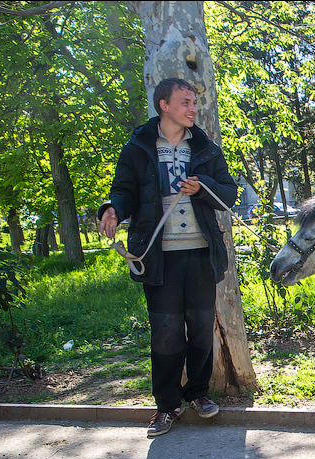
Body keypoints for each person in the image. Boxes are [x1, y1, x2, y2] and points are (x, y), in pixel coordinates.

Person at [98, 77, 238, 438]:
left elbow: (228, 194)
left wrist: (202, 188)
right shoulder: (138, 146)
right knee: (165, 335)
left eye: (193, 102)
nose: (193, 108)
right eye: (185, 102)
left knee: (201, 331)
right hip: (159, 256)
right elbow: (124, 190)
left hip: (202, 253)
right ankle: (166, 406)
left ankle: (199, 395)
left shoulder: (206, 147)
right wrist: (113, 209)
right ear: (164, 105)